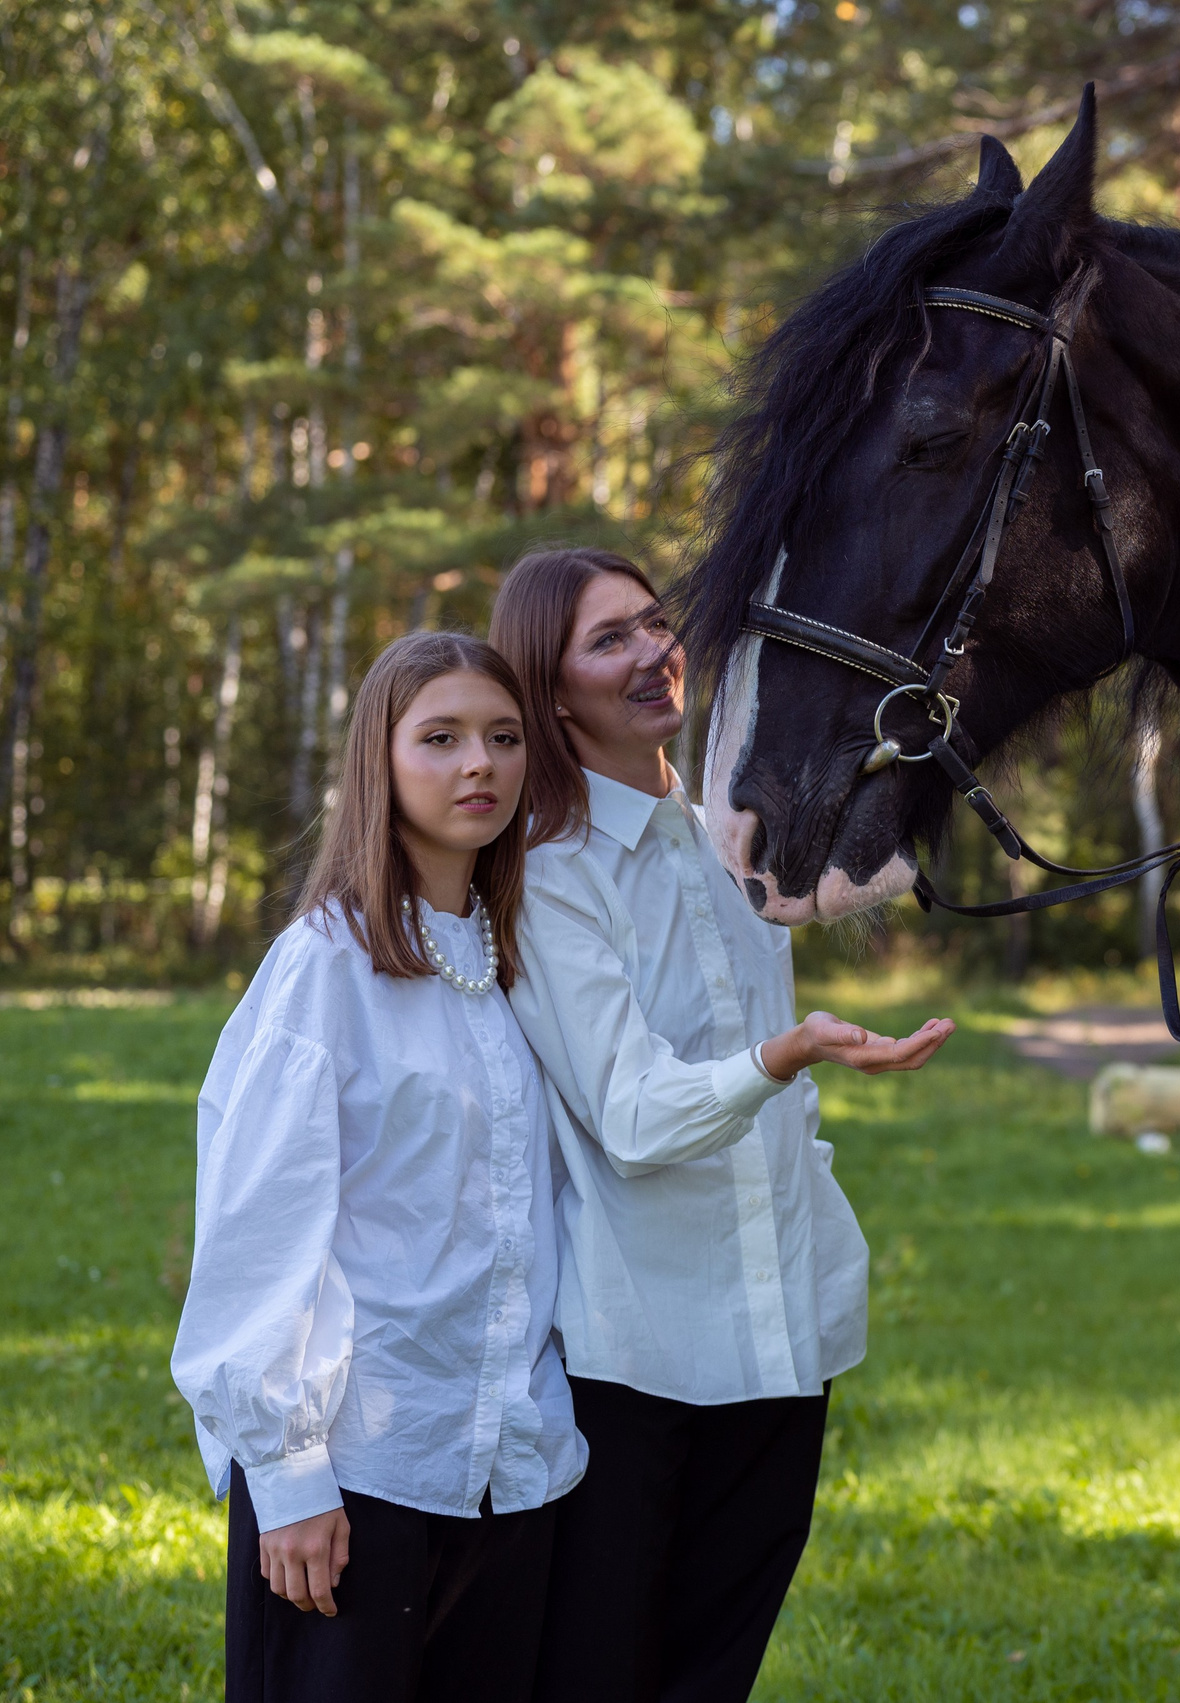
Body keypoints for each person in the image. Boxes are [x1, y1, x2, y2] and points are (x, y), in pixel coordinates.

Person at [487, 547, 954, 1703]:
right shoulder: (549, 876)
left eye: (655, 621)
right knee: (599, 1675)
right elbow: (634, 1111)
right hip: (631, 1355)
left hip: (778, 1339)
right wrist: (785, 1054)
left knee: (712, 1677)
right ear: (548, 692)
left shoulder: (730, 842)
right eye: (609, 639)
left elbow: (763, 1108)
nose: (653, 649)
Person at [171, 631, 585, 1703]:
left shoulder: (510, 963)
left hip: (510, 1461)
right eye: (439, 737)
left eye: (501, 737)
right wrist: (290, 1474)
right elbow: (260, 1233)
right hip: (362, 1473)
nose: (478, 764)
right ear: (380, 761)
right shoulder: (327, 965)